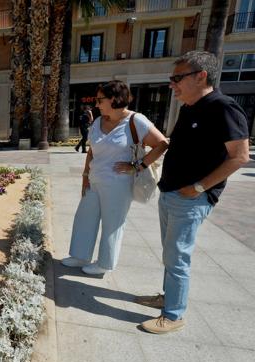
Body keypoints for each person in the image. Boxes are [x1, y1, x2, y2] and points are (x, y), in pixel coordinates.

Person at [136, 51, 250, 334]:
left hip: (192, 197)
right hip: (172, 192)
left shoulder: (223, 107)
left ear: (201, 76)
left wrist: (199, 187)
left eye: (177, 78)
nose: (172, 84)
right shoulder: (189, 107)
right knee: (170, 253)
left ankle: (174, 315)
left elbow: (240, 156)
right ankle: (168, 298)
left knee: (177, 256)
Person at [61, 80, 169, 275]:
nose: (96, 104)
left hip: (119, 184)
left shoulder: (136, 121)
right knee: (84, 217)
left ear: (114, 99)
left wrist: (137, 166)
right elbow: (92, 151)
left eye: (100, 100)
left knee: (113, 223)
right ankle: (80, 256)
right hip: (94, 180)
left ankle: (105, 263)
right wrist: (85, 174)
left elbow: (161, 144)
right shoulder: (98, 121)